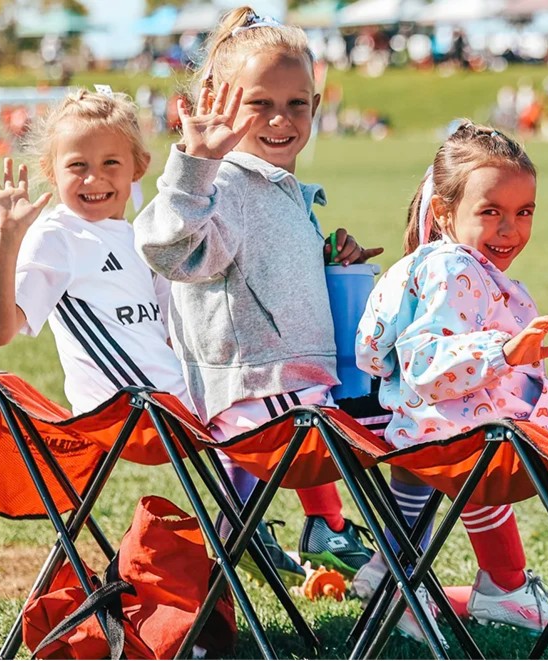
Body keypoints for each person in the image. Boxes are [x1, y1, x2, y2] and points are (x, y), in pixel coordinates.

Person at [353, 121, 548, 634]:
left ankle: (409, 568)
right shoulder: (452, 269)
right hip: (475, 443)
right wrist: (503, 351)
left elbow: (372, 351)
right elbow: (426, 362)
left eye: (524, 213)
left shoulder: (423, 264)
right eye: (491, 213)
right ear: (444, 211)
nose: (511, 230)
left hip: (438, 436)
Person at [134, 7, 379, 588]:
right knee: (417, 434)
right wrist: (194, 166)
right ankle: (391, 570)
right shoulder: (226, 183)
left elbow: (257, 275)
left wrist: (325, 262)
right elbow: (168, 249)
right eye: (260, 104)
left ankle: (236, 534)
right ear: (220, 103)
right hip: (258, 392)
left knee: (415, 424)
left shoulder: (281, 188)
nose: (280, 118)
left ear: (317, 107)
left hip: (287, 385)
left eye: (297, 103)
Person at [0, 90, 187, 416]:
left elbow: (175, 338)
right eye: (77, 165)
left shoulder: (141, 239)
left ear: (139, 166)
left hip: (179, 404)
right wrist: (6, 236)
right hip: (135, 415)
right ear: (50, 171)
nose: (94, 178)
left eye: (111, 162)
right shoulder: (59, 237)